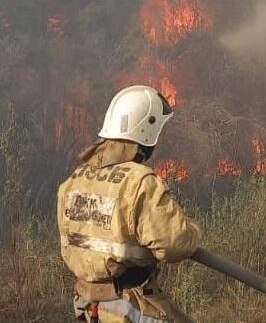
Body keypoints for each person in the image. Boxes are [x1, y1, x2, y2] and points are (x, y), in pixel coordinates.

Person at [58, 85, 200, 322]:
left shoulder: (75, 179)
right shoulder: (140, 182)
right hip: (129, 306)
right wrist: (193, 231)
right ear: (147, 132)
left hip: (86, 302)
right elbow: (176, 244)